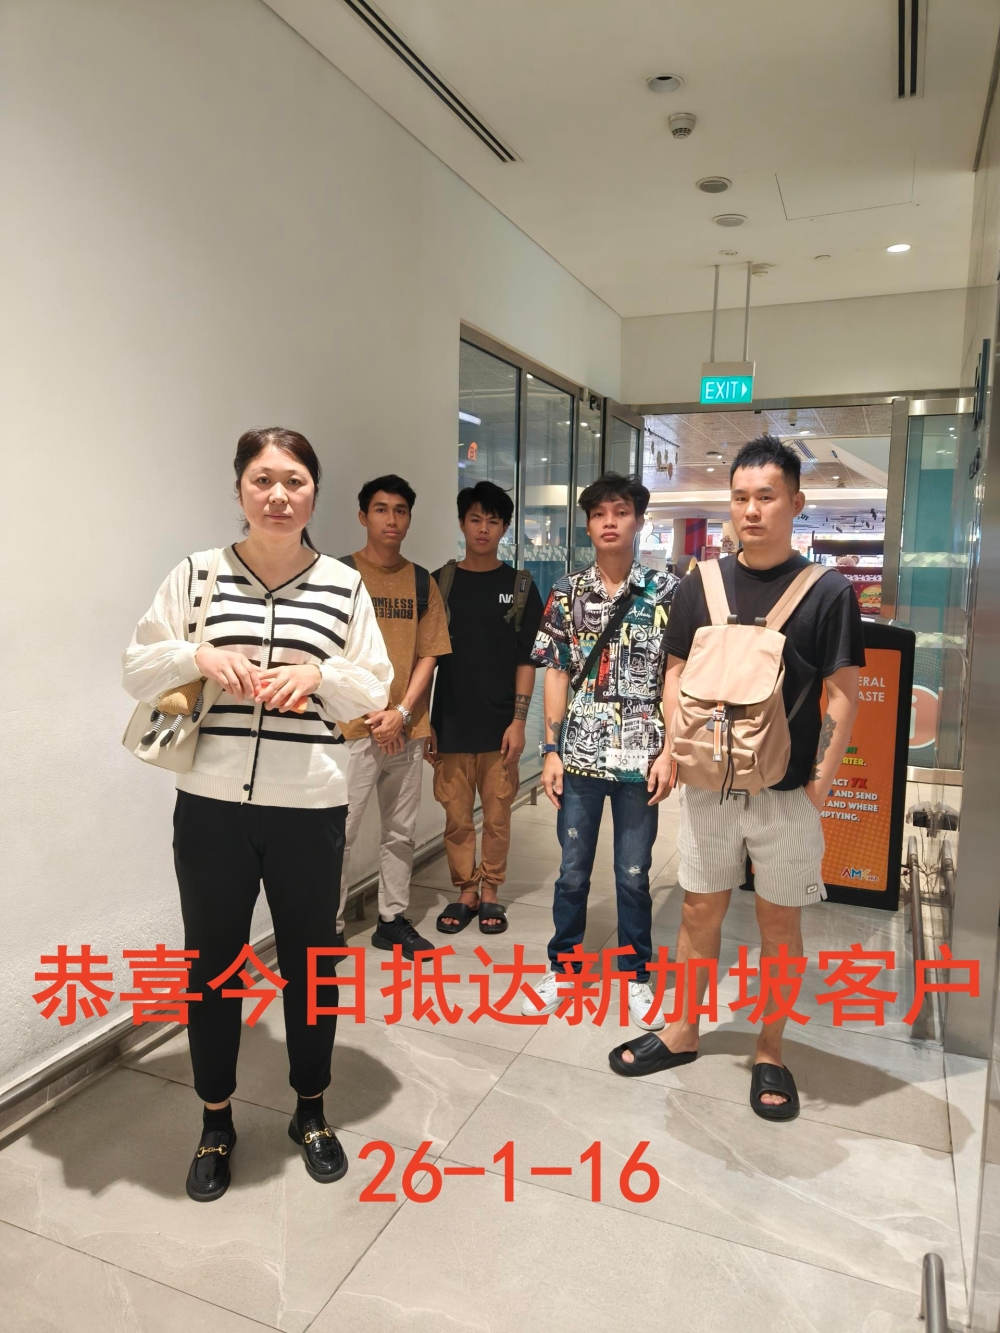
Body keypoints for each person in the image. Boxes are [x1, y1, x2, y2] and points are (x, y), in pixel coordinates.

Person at [123, 427, 392, 1201]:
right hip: (210, 808)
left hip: (309, 806)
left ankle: (311, 1108)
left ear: (314, 492)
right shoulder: (197, 575)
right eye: (263, 479)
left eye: (294, 480)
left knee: (312, 964)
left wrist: (319, 675)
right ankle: (215, 1120)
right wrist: (197, 657)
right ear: (240, 487)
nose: (279, 495)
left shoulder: (342, 585)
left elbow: (375, 684)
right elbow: (136, 665)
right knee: (211, 966)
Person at [608, 435, 863, 1122]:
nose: (752, 510)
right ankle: (683, 1029)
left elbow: (843, 694)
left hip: (786, 792)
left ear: (795, 503)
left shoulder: (827, 591)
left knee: (780, 922)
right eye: (741, 497)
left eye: (766, 496)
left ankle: (770, 1049)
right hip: (708, 787)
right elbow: (674, 672)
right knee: (698, 909)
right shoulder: (703, 583)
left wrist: (819, 784)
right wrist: (677, 746)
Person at [521, 472, 678, 1029]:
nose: (610, 522)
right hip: (581, 756)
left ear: (639, 521)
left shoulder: (666, 592)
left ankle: (637, 975)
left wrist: (671, 750)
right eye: (598, 514)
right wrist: (551, 749)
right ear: (587, 525)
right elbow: (556, 672)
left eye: (621, 512)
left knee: (634, 873)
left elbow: (676, 675)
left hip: (641, 755)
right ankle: (562, 968)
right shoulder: (567, 592)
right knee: (571, 871)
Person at [335, 474, 451, 958]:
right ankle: (327, 927)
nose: (391, 519)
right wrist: (376, 715)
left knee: (401, 833)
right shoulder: (339, 576)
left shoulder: (423, 582)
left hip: (407, 729)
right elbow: (328, 655)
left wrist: (400, 713)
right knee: (338, 833)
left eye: (400, 510)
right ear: (363, 516)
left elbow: (430, 653)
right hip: (352, 731)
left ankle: (391, 920)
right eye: (381, 509)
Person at [428, 480, 543, 934]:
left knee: (496, 817)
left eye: (492, 521)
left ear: (504, 528)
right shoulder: (441, 582)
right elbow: (426, 657)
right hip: (451, 723)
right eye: (475, 519)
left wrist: (519, 722)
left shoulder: (520, 586)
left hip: (500, 728)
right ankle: (465, 892)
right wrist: (425, 721)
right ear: (461, 523)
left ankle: (491, 890)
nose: (483, 529)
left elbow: (526, 659)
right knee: (456, 817)